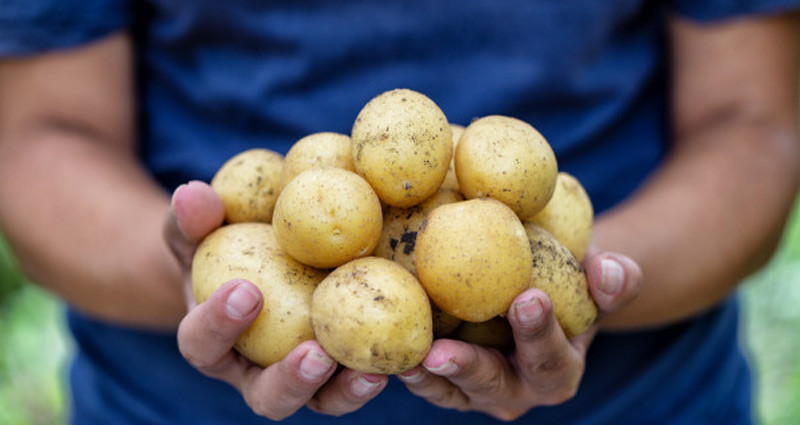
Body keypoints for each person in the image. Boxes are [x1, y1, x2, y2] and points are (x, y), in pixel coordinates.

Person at [0, 1, 798, 424]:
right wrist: (198, 272)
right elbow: (36, 143)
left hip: (642, 401)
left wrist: (579, 286)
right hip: (173, 406)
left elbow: (757, 124)